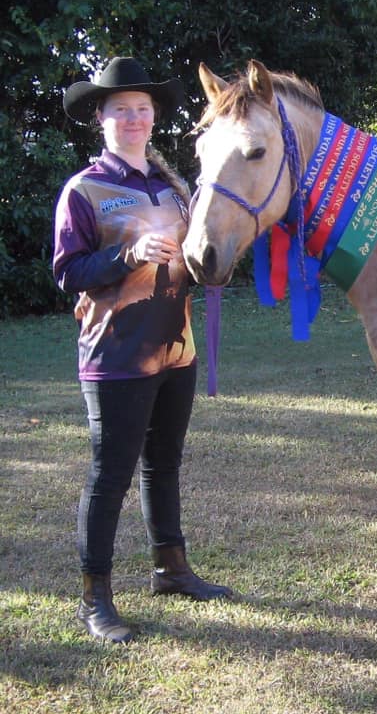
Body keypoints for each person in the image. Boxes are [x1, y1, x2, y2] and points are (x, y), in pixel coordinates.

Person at [53, 57, 232, 644]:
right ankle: (95, 597)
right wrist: (126, 257)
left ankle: (171, 570)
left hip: (175, 351)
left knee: (165, 465)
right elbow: (67, 272)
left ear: (153, 119)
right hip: (115, 356)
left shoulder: (170, 187)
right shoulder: (83, 191)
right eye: (121, 109)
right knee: (110, 476)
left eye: (142, 109)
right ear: (101, 119)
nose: (133, 118)